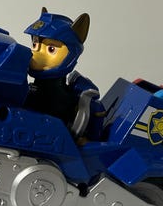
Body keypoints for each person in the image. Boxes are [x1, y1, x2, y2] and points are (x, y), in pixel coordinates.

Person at [23, 8, 105, 140]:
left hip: (56, 134)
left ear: (71, 54)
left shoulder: (61, 96)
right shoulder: (33, 88)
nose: (35, 53)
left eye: (51, 49)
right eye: (35, 44)